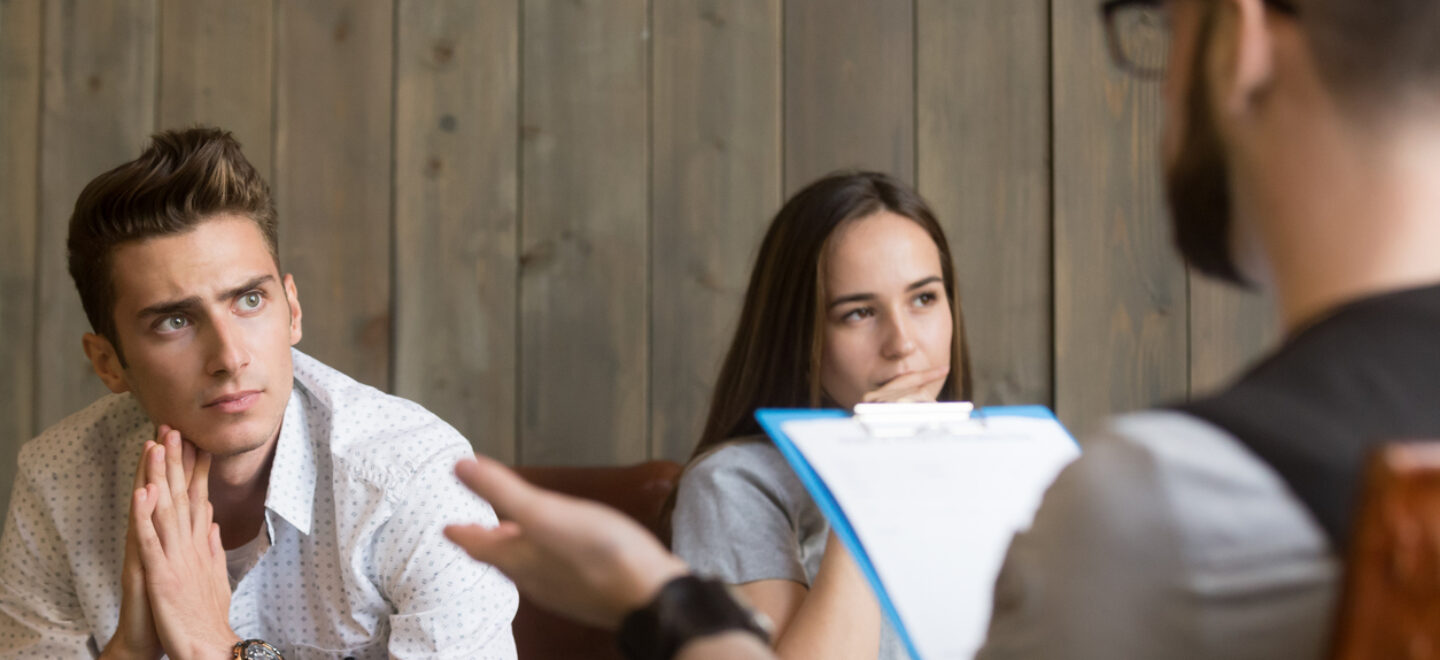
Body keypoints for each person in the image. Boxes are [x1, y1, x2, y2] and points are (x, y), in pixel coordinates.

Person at [447, 0, 1440, 657]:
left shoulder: (1168, 499)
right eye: (857, 310)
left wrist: (653, 601)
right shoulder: (745, 483)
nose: (901, 339)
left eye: (1160, 25)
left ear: (1245, 37)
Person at [0, 128, 518, 659]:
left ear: (291, 309)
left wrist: (213, 647)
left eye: (248, 300)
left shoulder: (409, 478)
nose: (229, 357)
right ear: (108, 362)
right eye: (175, 321)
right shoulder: (59, 482)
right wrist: (131, 649)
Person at [666, 171, 970, 660]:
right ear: (801, 334)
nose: (903, 343)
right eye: (859, 313)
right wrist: (868, 481)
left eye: (923, 298)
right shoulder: (735, 484)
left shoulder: (994, 464)